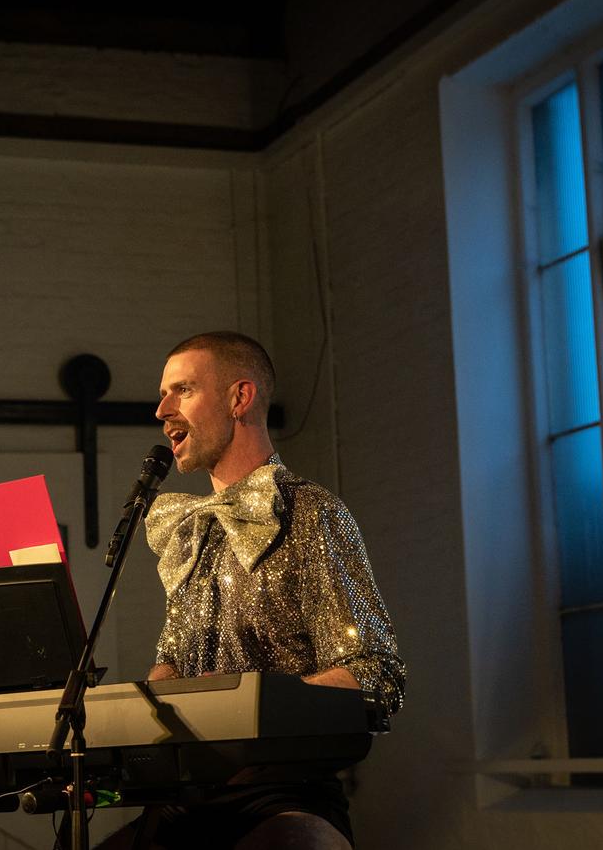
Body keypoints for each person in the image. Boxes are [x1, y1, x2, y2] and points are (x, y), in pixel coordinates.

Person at [106, 331, 404, 850]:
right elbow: (172, 658)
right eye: (163, 394)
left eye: (183, 391)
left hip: (284, 791)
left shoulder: (311, 513)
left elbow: (377, 675)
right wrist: (154, 693)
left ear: (239, 398)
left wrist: (250, 701)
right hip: (187, 796)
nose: (162, 410)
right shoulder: (194, 531)